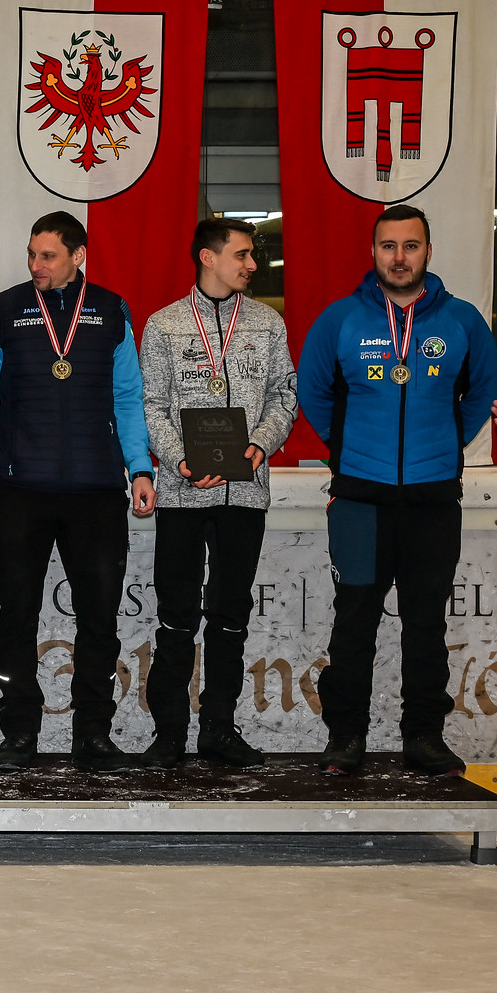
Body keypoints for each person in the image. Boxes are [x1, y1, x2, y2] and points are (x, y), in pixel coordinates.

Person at [298, 204, 497, 776]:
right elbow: (313, 392)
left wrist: (440, 446)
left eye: (410, 246)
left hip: (433, 500)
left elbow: (480, 392)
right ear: (373, 252)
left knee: (426, 623)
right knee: (355, 618)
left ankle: (424, 736)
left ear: (428, 252)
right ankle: (345, 737)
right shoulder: (340, 320)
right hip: (360, 501)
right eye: (388, 246)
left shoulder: (462, 321)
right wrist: (349, 451)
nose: (399, 257)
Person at [0, 210, 155, 772]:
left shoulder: (112, 310)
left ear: (78, 256)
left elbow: (128, 398)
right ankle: (19, 732)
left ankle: (93, 735)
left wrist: (140, 468)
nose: (35, 265)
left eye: (47, 255)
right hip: (22, 491)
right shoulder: (3, 310)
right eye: (30, 254)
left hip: (98, 492)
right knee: (17, 615)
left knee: (99, 619)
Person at [137, 219, 299, 769]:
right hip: (183, 495)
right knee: (176, 616)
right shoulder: (163, 326)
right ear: (208, 257)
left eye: (253, 256)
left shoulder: (268, 324)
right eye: (244, 255)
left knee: (231, 615)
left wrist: (257, 446)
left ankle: (220, 730)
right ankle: (169, 734)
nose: (253, 265)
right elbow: (152, 405)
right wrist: (180, 460)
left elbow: (285, 396)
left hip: (245, 494)